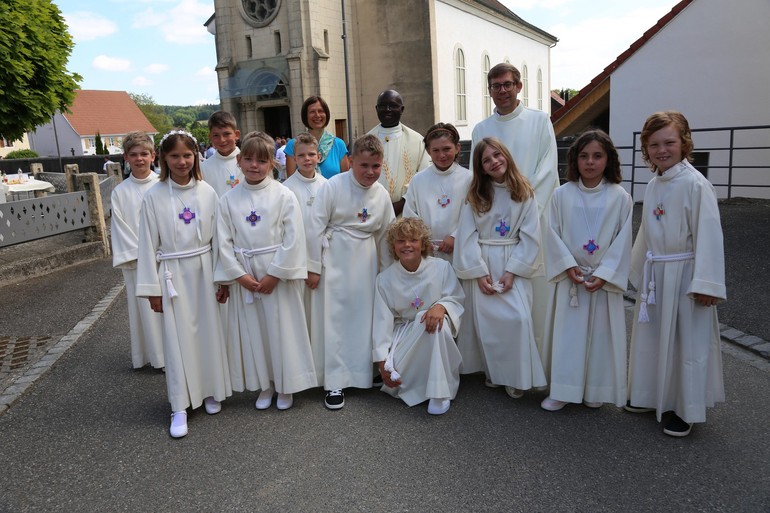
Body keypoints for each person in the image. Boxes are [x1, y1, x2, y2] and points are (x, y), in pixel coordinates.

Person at [626, 111, 725, 437]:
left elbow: (710, 235)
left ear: (684, 143)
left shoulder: (697, 185)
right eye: (653, 145)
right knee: (653, 339)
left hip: (685, 277)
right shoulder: (655, 183)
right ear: (646, 149)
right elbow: (646, 232)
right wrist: (638, 269)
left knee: (686, 343)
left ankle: (686, 409)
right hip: (657, 276)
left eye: (669, 142)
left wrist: (706, 282)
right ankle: (650, 395)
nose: (662, 150)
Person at [136, 129, 231, 438]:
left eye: (187, 155)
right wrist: (151, 289)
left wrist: (223, 277)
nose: (181, 161)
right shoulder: (154, 195)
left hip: (204, 268)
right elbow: (147, 244)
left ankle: (210, 390)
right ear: (163, 158)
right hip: (172, 273)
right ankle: (179, 405)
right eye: (174, 156)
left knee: (208, 332)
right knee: (177, 340)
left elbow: (220, 239)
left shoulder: (207, 192)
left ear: (196, 157)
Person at [215, 132, 317, 411]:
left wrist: (276, 274)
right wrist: (240, 276)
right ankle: (265, 384)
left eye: (261, 160)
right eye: (248, 159)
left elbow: (294, 238)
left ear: (273, 162)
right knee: (255, 333)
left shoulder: (284, 195)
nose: (254, 165)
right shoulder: (228, 200)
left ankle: (287, 385)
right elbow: (223, 243)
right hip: (247, 276)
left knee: (282, 329)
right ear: (239, 160)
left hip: (277, 276)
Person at [470, 62, 559, 360]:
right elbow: (480, 178)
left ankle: (537, 362)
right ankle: (501, 364)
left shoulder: (539, 120)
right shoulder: (481, 129)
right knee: (500, 297)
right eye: (496, 86)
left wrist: (524, 213)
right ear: (489, 91)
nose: (502, 91)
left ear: (519, 86)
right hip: (496, 228)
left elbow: (547, 170)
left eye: (508, 84)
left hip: (532, 220)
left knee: (533, 297)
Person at [540, 129, 633, 412]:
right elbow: (551, 233)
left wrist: (605, 272)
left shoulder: (620, 197)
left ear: (609, 160)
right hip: (573, 279)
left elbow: (624, 238)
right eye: (583, 156)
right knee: (568, 337)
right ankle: (563, 390)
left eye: (597, 156)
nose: (590, 162)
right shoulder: (561, 195)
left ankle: (595, 389)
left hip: (602, 279)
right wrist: (568, 264)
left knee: (600, 336)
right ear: (574, 160)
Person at [306, 134, 396, 409]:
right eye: (364, 165)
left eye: (376, 166)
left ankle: (364, 373)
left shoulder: (381, 194)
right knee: (336, 319)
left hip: (366, 264)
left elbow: (386, 235)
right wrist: (312, 268)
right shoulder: (333, 186)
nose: (370, 172)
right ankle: (335, 381)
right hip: (334, 260)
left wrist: (389, 273)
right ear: (351, 161)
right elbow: (313, 228)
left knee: (365, 319)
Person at [454, 137, 546, 398]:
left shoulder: (524, 192)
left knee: (518, 319)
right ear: (481, 168)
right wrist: (479, 272)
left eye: (497, 155)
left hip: (513, 260)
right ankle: (494, 373)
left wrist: (512, 271)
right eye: (486, 160)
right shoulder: (475, 195)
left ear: (506, 155)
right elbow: (467, 234)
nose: (494, 162)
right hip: (483, 259)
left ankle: (517, 376)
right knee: (488, 326)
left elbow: (531, 235)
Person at [373, 217, 464, 415]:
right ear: (393, 246)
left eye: (413, 240)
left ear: (423, 244)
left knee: (434, 321)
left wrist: (442, 306)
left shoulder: (441, 267)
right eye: (400, 241)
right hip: (404, 337)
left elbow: (456, 298)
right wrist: (381, 362)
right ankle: (429, 385)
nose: (407, 245)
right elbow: (381, 322)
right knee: (427, 319)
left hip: (436, 331)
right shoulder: (385, 279)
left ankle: (439, 393)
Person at [110, 131, 164, 370]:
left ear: (154, 155)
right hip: (138, 261)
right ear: (126, 157)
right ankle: (155, 356)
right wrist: (143, 256)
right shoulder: (120, 192)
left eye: (144, 154)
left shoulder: (164, 184)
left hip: (165, 258)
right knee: (146, 310)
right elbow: (119, 227)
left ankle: (174, 353)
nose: (140, 159)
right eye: (134, 155)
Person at [282, 132, 328, 354]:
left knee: (321, 313)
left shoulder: (328, 185)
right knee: (302, 313)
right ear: (294, 158)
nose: (307, 159)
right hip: (298, 260)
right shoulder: (286, 189)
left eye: (311, 154)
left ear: (319, 156)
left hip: (323, 257)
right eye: (301, 155)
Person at [402, 122, 471, 263]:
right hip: (428, 250)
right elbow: (410, 215)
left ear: (457, 148)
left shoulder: (469, 179)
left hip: (459, 248)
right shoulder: (418, 180)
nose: (442, 155)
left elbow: (474, 215)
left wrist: (455, 237)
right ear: (428, 151)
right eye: (436, 150)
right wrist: (422, 240)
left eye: (447, 149)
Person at [368, 90, 431, 216]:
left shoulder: (417, 140)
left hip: (408, 211)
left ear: (402, 109)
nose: (388, 109)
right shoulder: (366, 140)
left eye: (393, 106)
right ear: (376, 109)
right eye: (383, 106)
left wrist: (402, 203)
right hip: (373, 210)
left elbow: (426, 176)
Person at [285, 96, 349, 179]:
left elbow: (345, 180)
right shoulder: (293, 145)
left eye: (321, 111)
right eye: (312, 112)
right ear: (305, 116)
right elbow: (291, 182)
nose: (317, 115)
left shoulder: (339, 144)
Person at [201, 111, 242, 198]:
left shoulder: (249, 162)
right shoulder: (204, 167)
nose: (222, 140)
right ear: (210, 137)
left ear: (236, 135)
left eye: (226, 134)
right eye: (216, 135)